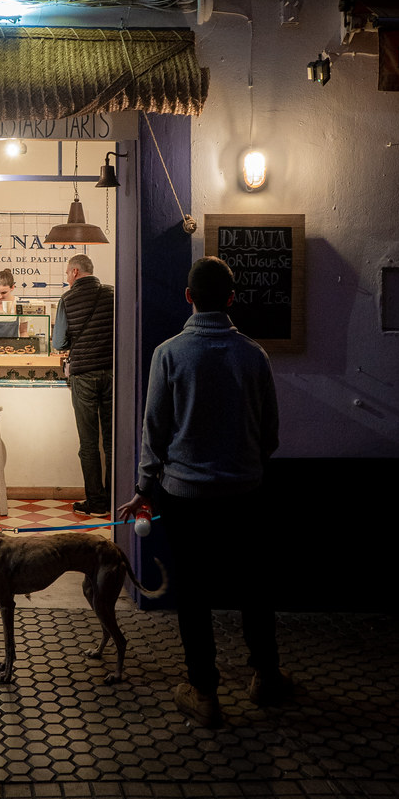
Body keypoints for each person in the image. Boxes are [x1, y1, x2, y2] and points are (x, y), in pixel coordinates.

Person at [119, 256, 292, 729]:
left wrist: (142, 489)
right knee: (255, 585)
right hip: (245, 492)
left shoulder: (169, 354)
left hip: (185, 496)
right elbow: (270, 433)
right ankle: (266, 677)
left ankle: (205, 693)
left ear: (189, 297)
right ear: (232, 299)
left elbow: (155, 432)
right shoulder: (253, 355)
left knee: (193, 593)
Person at [52, 253, 115, 518]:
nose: (67, 279)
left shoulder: (67, 299)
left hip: (84, 375)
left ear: (75, 272)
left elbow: (59, 343)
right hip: (113, 373)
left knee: (89, 443)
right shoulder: (112, 293)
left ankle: (96, 502)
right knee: (112, 441)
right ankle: (115, 498)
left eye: (67, 274)